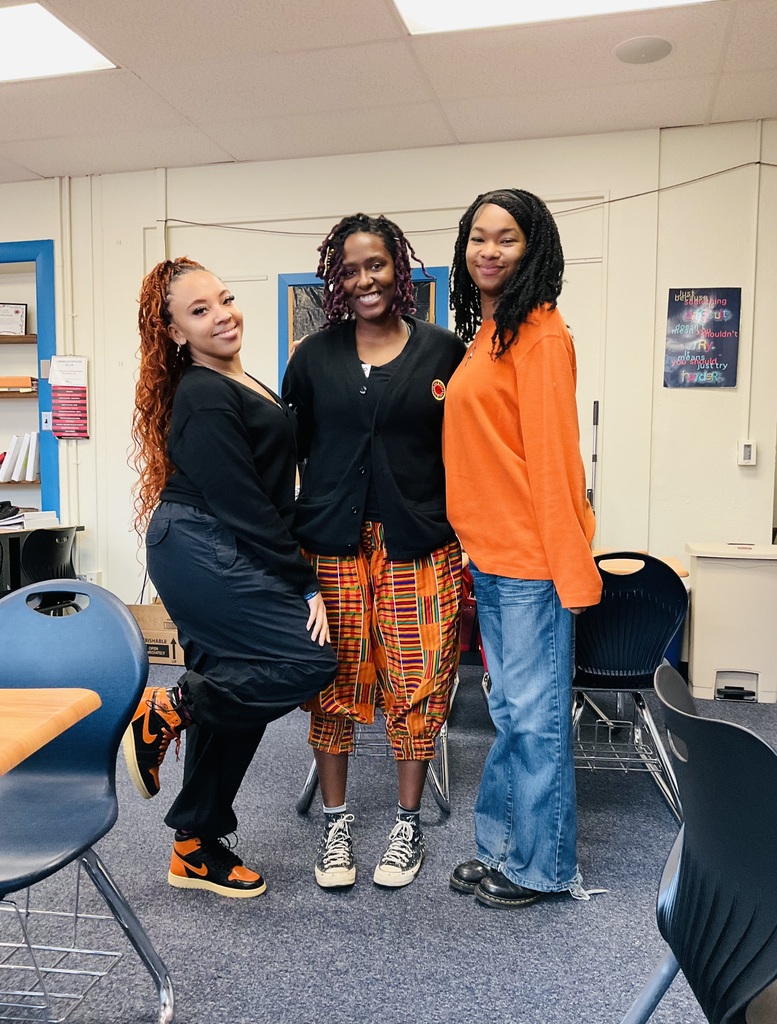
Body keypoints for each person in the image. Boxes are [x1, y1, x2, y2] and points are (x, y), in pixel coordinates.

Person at [124, 257, 337, 899]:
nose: (222, 316)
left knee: (238, 691)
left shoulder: (240, 379)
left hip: (214, 540)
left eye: (225, 299)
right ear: (174, 334)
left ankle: (195, 845)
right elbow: (244, 502)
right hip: (200, 544)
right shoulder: (203, 393)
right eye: (200, 311)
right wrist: (304, 582)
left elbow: (268, 492)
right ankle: (170, 706)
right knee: (305, 660)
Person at [282, 214, 466, 890]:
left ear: (400, 269)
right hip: (329, 546)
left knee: (416, 685)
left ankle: (407, 824)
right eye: (351, 269)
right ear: (337, 277)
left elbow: (463, 453)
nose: (365, 280)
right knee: (331, 684)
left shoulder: (444, 352)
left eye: (377, 266)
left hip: (418, 547)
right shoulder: (311, 357)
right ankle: (336, 825)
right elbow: (289, 457)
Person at [443, 189, 602, 909]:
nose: (488, 250)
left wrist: (571, 572)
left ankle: (544, 866)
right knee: (508, 716)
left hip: (531, 566)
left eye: (505, 238)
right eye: (478, 237)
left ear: (532, 248)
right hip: (495, 557)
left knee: (534, 722)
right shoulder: (493, 330)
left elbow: (555, 460)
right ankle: (502, 847)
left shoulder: (540, 333)